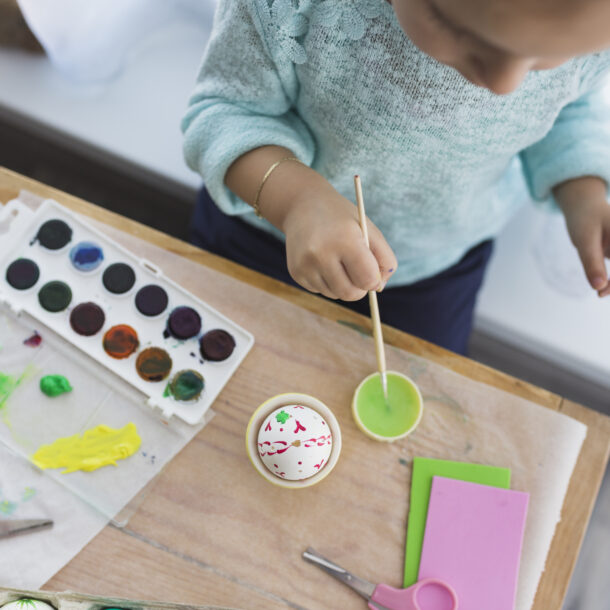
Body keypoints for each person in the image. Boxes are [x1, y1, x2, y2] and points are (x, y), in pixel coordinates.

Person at [182, 0, 610, 355]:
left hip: (435, 270)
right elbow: (223, 114)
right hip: (260, 240)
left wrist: (584, 194)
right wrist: (295, 202)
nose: (504, 84)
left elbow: (569, 107)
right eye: (460, 31)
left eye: (550, 58)